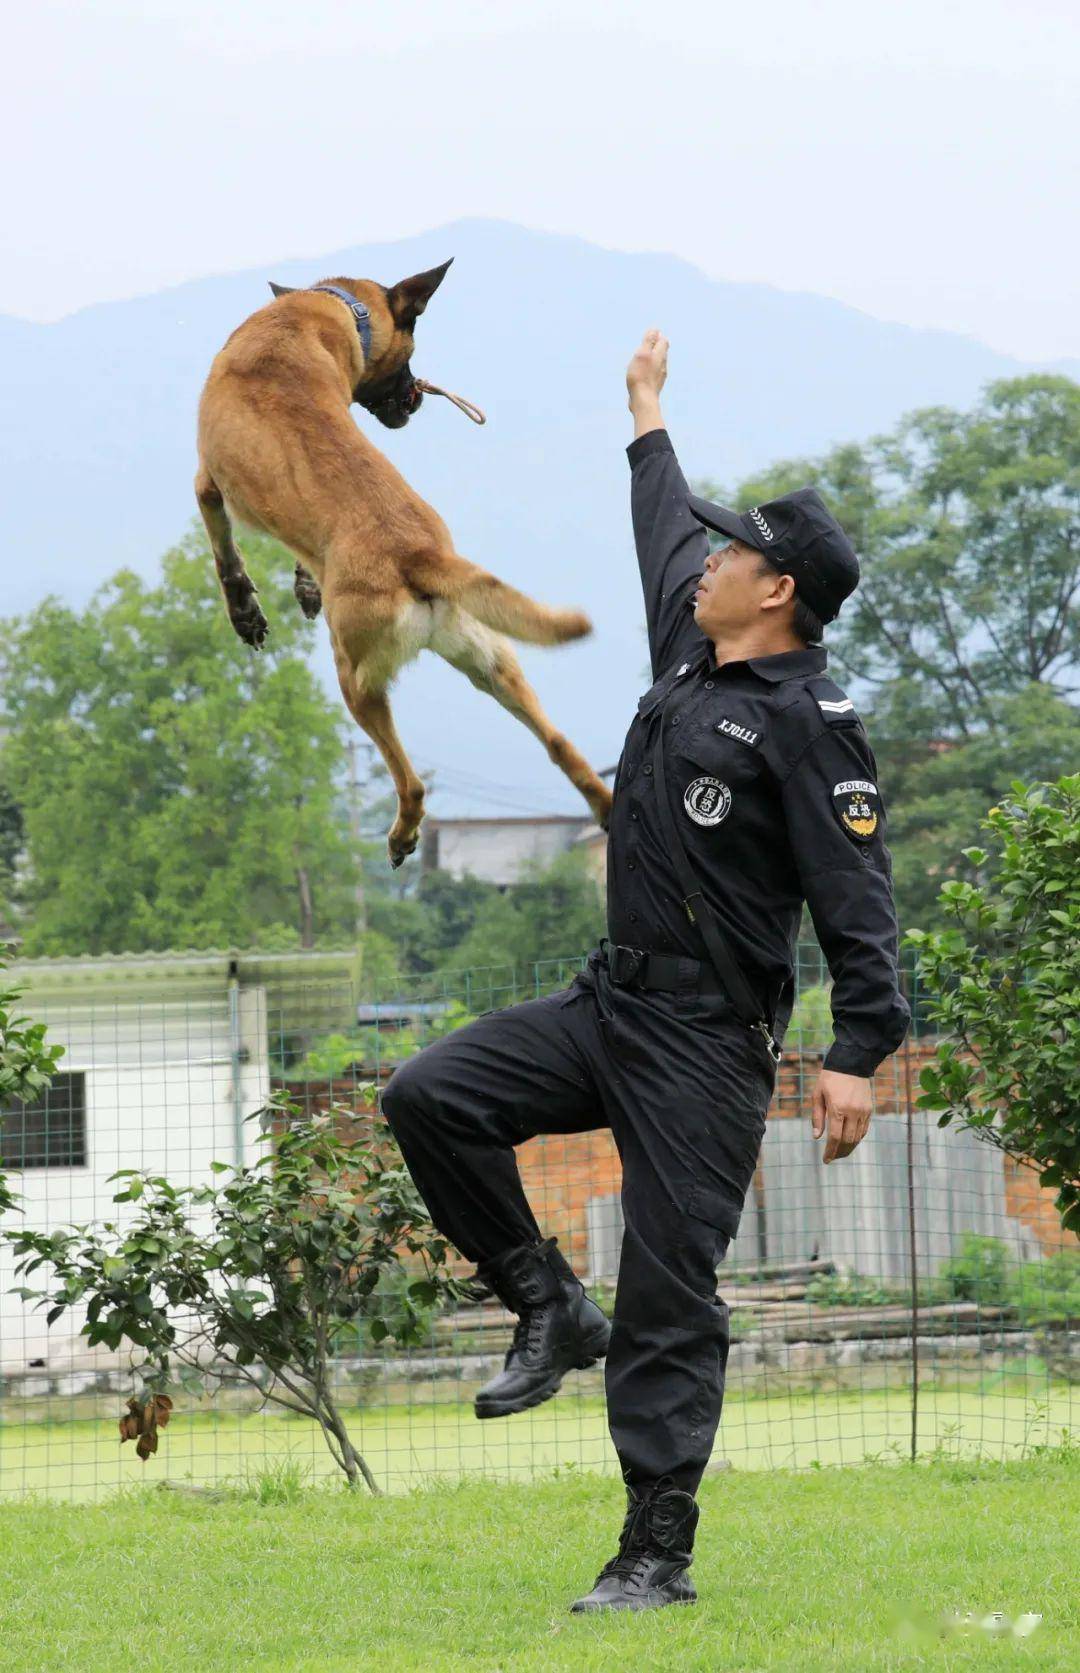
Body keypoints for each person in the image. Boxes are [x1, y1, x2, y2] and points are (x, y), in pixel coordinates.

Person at [382, 329, 910, 1614]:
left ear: (776, 589)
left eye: (735, 553)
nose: (708, 559)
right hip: (607, 1000)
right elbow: (664, 522)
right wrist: (646, 413)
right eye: (716, 546)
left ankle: (654, 1552)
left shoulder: (809, 726)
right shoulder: (693, 646)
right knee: (429, 1095)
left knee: (670, 1292)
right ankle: (547, 1301)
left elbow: (858, 900)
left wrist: (856, 1051)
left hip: (707, 1043)